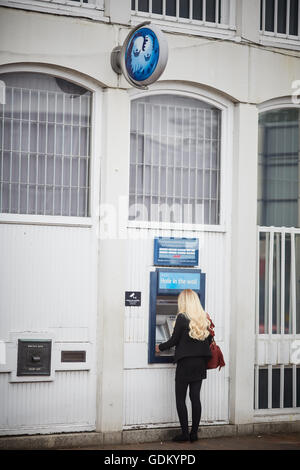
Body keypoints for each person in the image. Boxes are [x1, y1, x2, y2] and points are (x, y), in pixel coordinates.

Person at [155, 289, 213, 443]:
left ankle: (184, 434)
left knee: (180, 399)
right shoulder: (203, 318)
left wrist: (159, 347)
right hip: (200, 363)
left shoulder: (181, 318)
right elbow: (209, 341)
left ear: (184, 302)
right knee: (195, 398)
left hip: (185, 363)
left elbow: (173, 340)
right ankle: (194, 434)